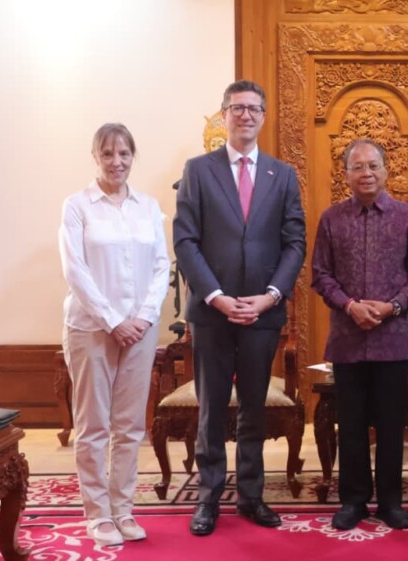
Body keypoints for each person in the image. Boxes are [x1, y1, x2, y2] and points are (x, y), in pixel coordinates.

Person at [174, 80, 306, 536]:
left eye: (253, 108)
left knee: (254, 408)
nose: (245, 115)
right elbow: (185, 241)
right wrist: (216, 296)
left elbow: (295, 243)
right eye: (237, 108)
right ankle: (208, 498)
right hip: (213, 313)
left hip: (262, 313)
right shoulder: (198, 170)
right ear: (224, 115)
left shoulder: (281, 175)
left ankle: (251, 496)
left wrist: (270, 296)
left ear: (263, 116)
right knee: (211, 409)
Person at [311, 138, 408, 531]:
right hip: (347, 340)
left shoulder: (407, 217)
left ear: (386, 171)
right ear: (345, 174)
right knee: (350, 425)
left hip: (393, 339)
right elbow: (320, 275)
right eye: (358, 167)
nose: (366, 173)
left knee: (392, 425)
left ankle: (391, 501)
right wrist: (350, 306)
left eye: (373, 166)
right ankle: (354, 501)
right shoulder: (331, 219)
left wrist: (393, 306)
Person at [58, 123, 170, 546]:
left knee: (130, 426)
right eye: (107, 154)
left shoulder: (148, 206)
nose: (116, 161)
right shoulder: (77, 206)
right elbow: (75, 270)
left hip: (140, 330)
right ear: (95, 157)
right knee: (93, 426)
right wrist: (112, 320)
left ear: (132, 156)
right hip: (91, 329)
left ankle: (123, 509)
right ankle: (98, 514)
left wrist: (143, 317)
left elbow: (161, 265)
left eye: (123, 153)